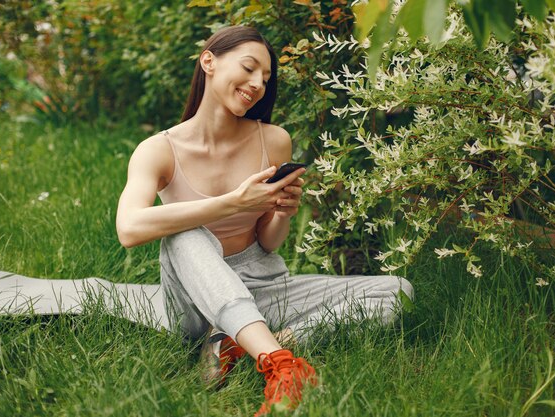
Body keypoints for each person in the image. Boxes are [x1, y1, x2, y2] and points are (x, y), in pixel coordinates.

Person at [120, 26, 416, 415]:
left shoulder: (273, 139)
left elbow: (269, 242)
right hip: (195, 304)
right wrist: (232, 202)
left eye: (266, 77)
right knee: (183, 233)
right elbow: (129, 228)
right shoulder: (158, 150)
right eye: (249, 67)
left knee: (398, 291)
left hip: (264, 285)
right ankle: (282, 365)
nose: (258, 83)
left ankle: (241, 344)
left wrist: (280, 214)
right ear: (208, 61)